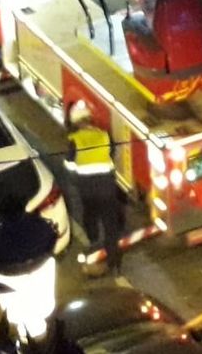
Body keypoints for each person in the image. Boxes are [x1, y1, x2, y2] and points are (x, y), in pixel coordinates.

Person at [64, 100, 121, 277]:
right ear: (89, 119)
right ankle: (114, 263)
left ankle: (94, 244)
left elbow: (69, 164)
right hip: (106, 186)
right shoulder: (104, 135)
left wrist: (75, 179)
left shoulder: (74, 140)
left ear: (75, 122)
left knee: (90, 215)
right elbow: (111, 155)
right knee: (110, 223)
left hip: (87, 188)